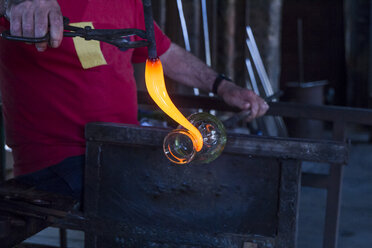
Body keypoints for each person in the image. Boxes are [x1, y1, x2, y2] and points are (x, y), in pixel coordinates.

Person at [0, 0, 268, 200]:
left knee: (214, 191)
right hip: (59, 159)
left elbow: (164, 52)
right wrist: (13, 5)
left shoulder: (127, 2)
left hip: (123, 149)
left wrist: (222, 86)